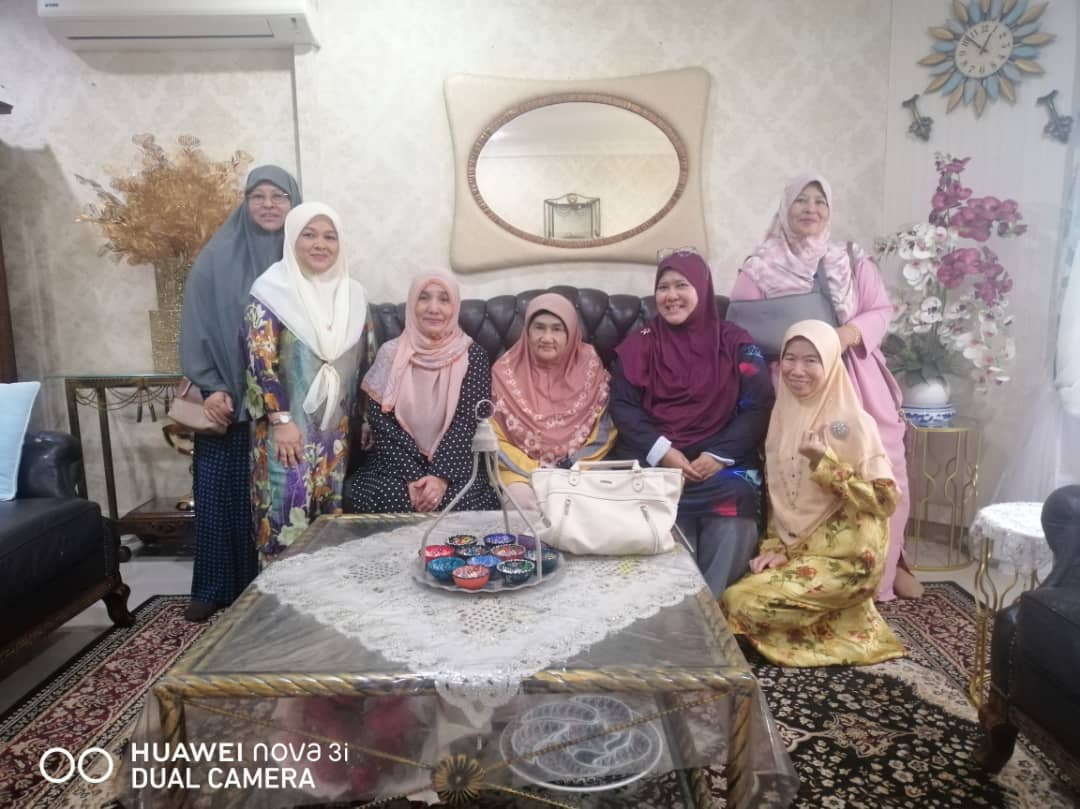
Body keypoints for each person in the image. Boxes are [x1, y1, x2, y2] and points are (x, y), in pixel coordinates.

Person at [731, 172, 922, 601]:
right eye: (801, 200)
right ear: (785, 208)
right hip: (796, 380)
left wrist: (845, 335)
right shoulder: (759, 266)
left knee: (883, 465)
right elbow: (741, 332)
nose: (811, 209)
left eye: (820, 201)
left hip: (856, 375)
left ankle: (887, 567)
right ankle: (810, 566)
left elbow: (881, 309)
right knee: (804, 470)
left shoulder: (849, 259)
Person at [722, 320, 906, 667]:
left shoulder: (852, 422)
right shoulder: (782, 416)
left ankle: (843, 631)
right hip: (801, 551)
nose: (797, 370)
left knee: (743, 603)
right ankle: (838, 622)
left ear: (831, 362)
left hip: (849, 558)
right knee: (734, 598)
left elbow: (884, 501)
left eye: (811, 360)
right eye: (790, 358)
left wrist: (825, 463)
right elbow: (780, 495)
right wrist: (777, 548)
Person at [609, 250, 774, 596]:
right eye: (663, 287)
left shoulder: (735, 343)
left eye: (681, 285)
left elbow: (758, 404)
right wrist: (664, 452)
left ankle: (711, 607)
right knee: (655, 496)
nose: (671, 296)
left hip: (722, 464)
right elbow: (623, 407)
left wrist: (719, 455)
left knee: (736, 494)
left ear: (702, 287)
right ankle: (670, 605)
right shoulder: (639, 346)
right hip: (657, 464)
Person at [178, 165, 300, 622]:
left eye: (279, 196)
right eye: (258, 195)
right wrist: (211, 386)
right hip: (226, 400)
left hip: (282, 406)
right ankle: (212, 587)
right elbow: (196, 324)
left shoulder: (303, 253)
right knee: (218, 493)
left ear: (294, 203)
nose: (269, 205)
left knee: (267, 500)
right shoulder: (216, 257)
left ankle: (264, 587)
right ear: (245, 202)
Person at [246, 202, 373, 559]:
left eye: (330, 237)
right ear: (292, 239)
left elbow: (368, 362)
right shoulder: (271, 290)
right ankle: (278, 595)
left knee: (330, 530)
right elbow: (260, 362)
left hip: (336, 437)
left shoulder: (354, 295)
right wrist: (280, 421)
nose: (320, 244)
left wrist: (366, 419)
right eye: (309, 235)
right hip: (288, 433)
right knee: (285, 520)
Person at [343, 271, 499, 514]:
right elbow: (382, 422)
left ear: (455, 307)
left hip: (456, 464)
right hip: (395, 464)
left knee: (462, 502)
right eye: (423, 298)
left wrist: (439, 478)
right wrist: (414, 479)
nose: (433, 308)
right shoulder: (390, 353)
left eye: (444, 299)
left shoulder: (473, 356)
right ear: (412, 304)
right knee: (378, 495)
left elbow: (467, 423)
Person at [491, 293, 616, 509]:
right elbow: (494, 437)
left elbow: (606, 428)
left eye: (557, 329)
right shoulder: (503, 371)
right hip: (521, 472)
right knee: (520, 502)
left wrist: (572, 466)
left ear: (571, 332)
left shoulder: (590, 364)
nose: (547, 338)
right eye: (539, 328)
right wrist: (536, 471)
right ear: (527, 331)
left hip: (583, 467)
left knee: (596, 500)